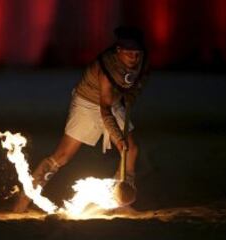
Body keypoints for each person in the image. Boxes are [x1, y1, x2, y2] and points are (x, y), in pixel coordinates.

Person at [12, 26, 149, 213]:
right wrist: (117, 137)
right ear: (118, 51)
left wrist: (130, 96)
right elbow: (105, 110)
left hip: (113, 101)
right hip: (88, 102)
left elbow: (136, 83)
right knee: (62, 157)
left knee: (131, 150)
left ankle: (121, 203)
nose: (134, 59)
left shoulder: (141, 61)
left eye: (137, 54)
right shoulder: (106, 68)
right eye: (129, 54)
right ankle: (22, 203)